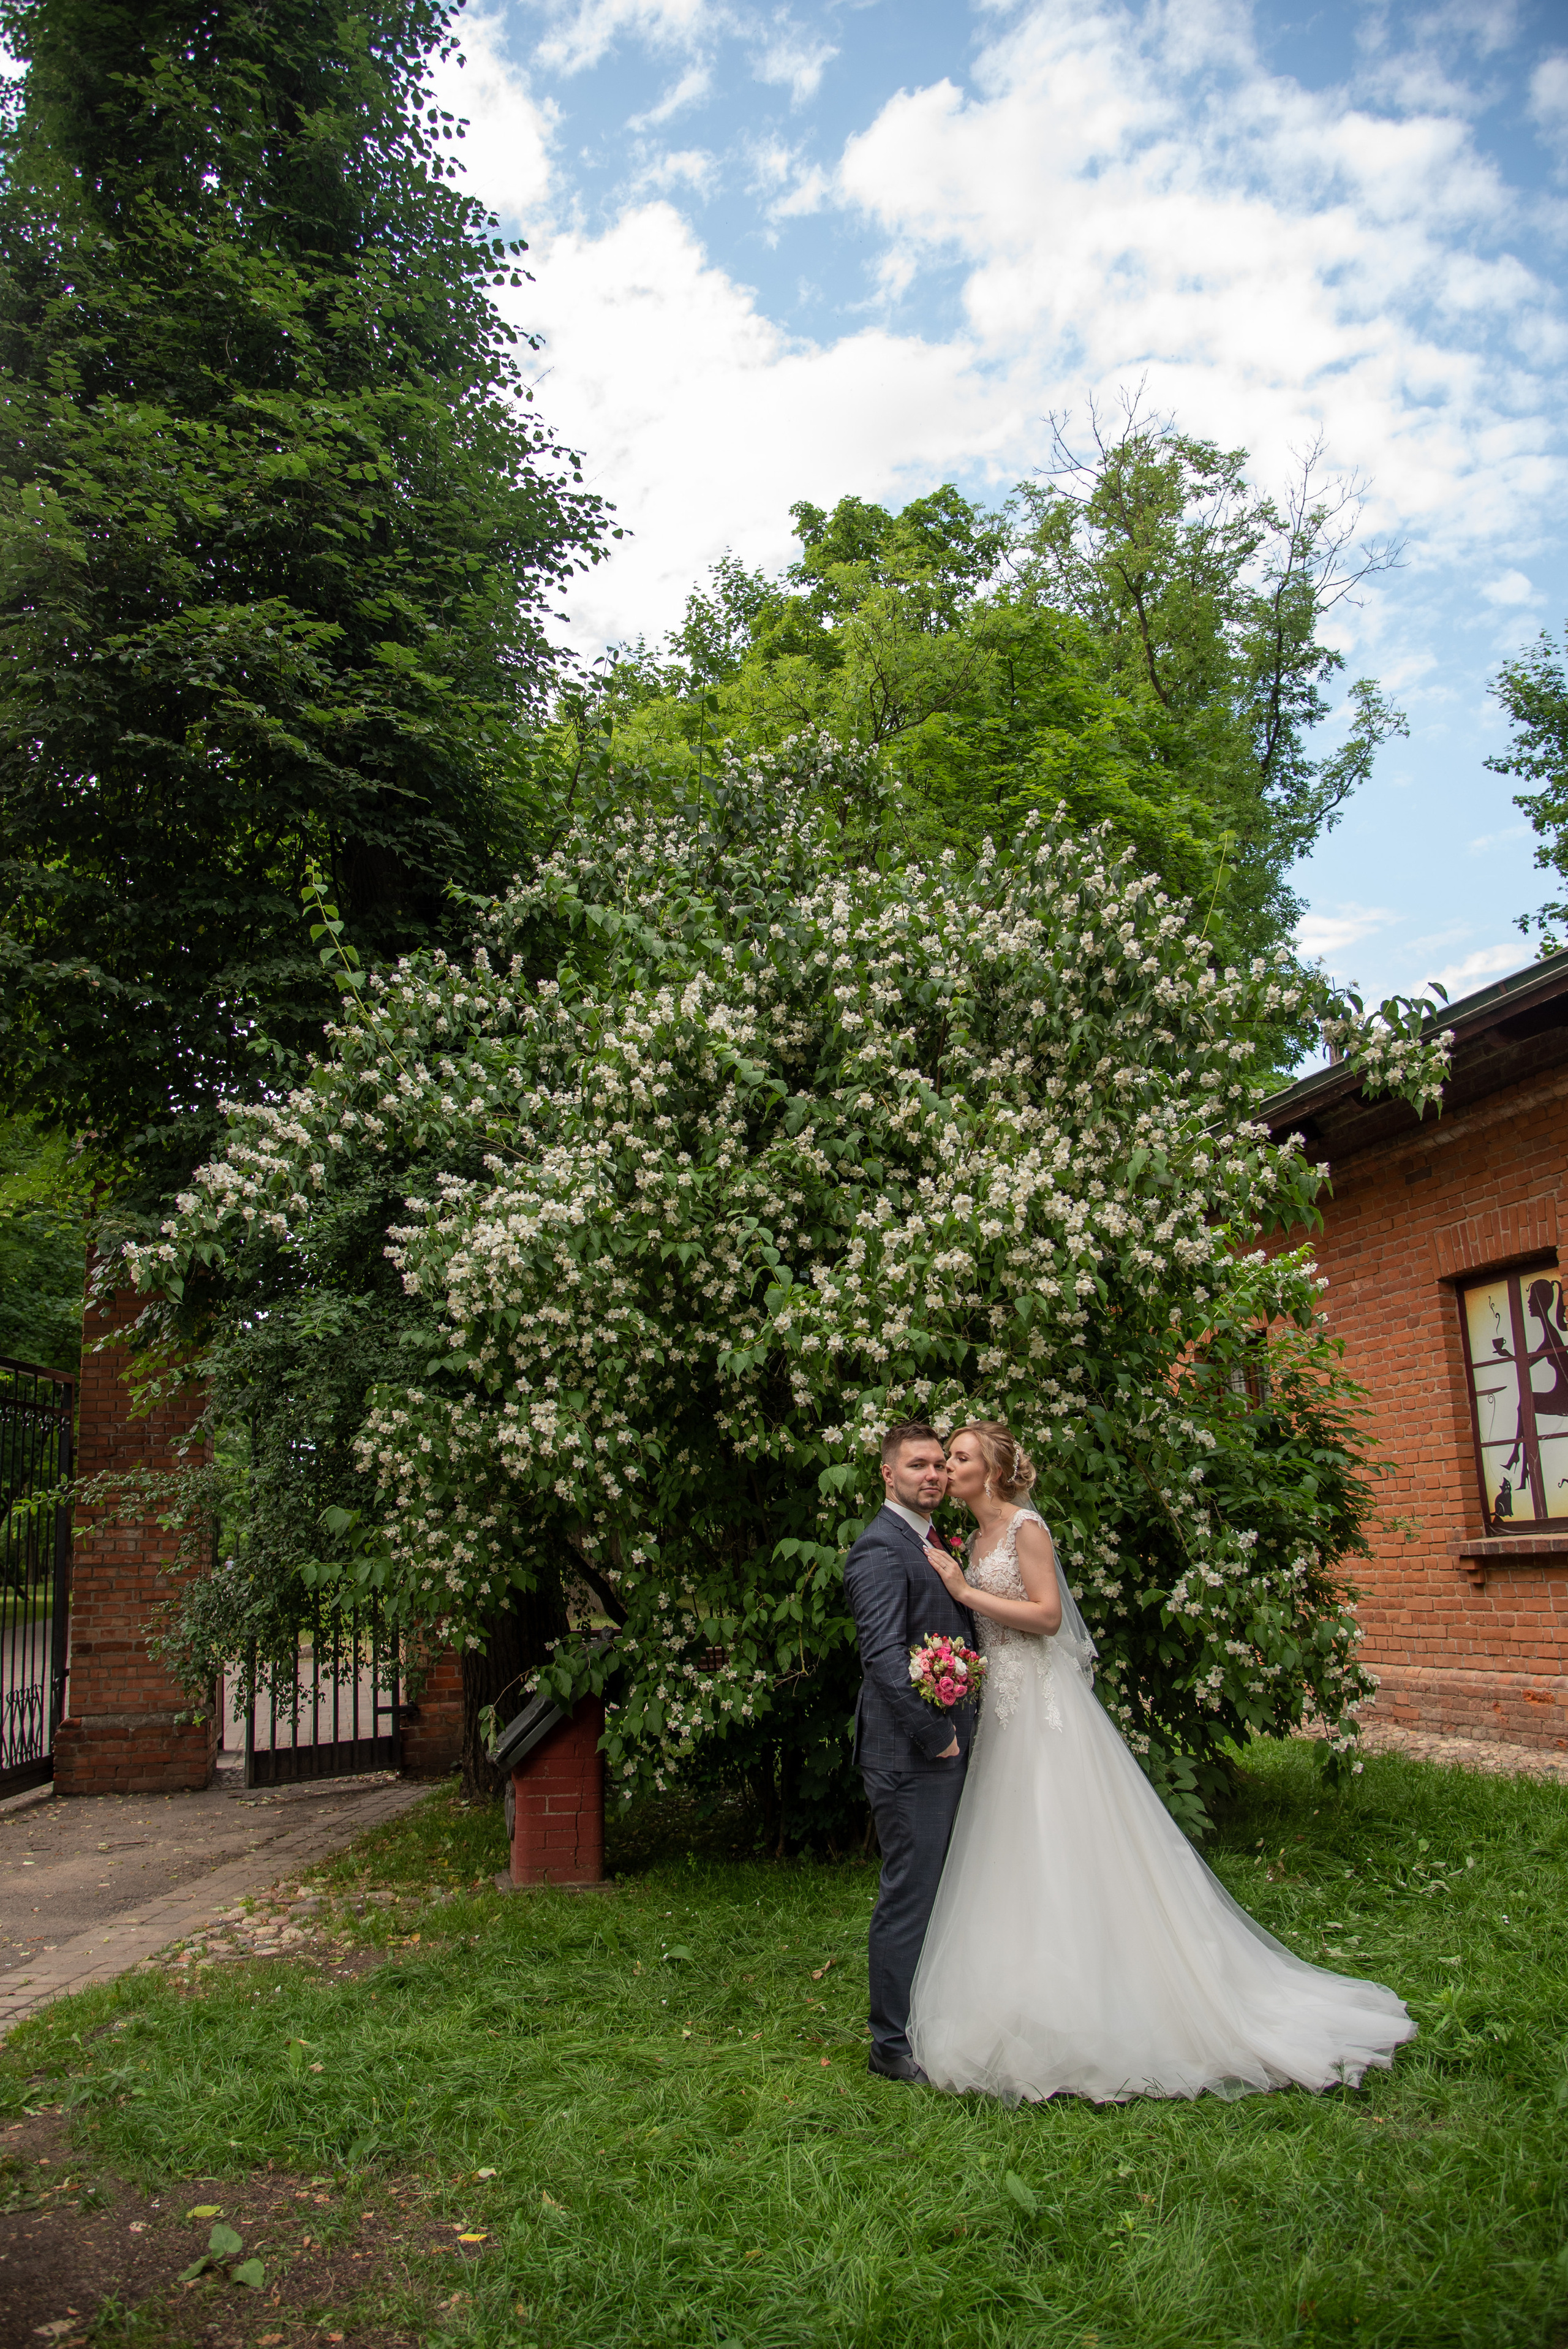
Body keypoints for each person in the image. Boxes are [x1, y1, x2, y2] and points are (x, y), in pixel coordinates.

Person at [906, 1419, 1417, 2105]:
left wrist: (965, 1593)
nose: (948, 1467)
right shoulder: (971, 1537)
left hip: (1044, 1707)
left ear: (993, 1471)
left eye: (961, 1457)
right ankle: (1025, 1996)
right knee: (1011, 1844)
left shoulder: (1027, 1527)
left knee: (1061, 1832)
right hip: (1002, 1704)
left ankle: (1110, 1992)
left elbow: (1051, 1617)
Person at [842, 1421, 977, 2083]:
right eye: (917, 1465)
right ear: (887, 1475)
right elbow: (884, 1658)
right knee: (910, 1891)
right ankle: (889, 2043)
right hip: (910, 1753)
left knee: (943, 1887)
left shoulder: (931, 1540)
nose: (932, 1474)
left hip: (942, 1747)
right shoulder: (878, 1549)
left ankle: (929, 2015)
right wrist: (938, 1735)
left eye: (938, 1465)